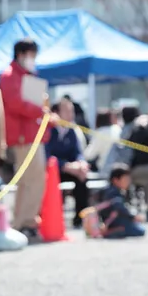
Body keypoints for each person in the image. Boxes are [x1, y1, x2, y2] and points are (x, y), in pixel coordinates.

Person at [0, 38, 53, 241]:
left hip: (31, 135)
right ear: (21, 54)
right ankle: (25, 221)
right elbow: (15, 104)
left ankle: (24, 220)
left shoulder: (25, 75)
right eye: (31, 55)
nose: (33, 59)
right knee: (31, 180)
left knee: (31, 180)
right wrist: (41, 110)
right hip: (23, 137)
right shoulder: (10, 76)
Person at [46, 96, 90, 227]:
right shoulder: (48, 130)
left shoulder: (71, 131)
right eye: (67, 111)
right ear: (57, 113)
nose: (71, 115)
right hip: (52, 170)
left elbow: (77, 152)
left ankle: (80, 217)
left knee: (82, 178)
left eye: (72, 111)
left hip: (69, 169)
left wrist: (81, 163)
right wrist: (65, 166)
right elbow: (46, 156)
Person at [97, 164, 146, 239]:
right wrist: (133, 217)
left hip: (114, 221)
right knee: (140, 230)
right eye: (125, 179)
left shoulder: (111, 190)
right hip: (114, 222)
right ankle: (111, 231)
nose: (128, 182)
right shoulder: (113, 192)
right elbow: (118, 205)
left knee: (139, 228)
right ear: (115, 180)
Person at [85, 108, 121, 173]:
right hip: (120, 167)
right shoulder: (118, 129)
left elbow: (89, 155)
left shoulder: (100, 132)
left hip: (105, 169)